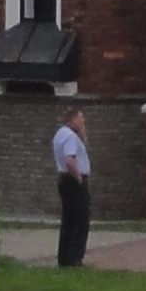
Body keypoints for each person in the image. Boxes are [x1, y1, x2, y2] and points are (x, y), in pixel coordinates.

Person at [53, 99, 92, 267]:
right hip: (73, 180)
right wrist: (79, 178)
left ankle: (64, 257)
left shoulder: (60, 134)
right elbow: (70, 159)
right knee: (80, 220)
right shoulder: (70, 137)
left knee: (68, 220)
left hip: (63, 179)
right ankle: (75, 258)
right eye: (81, 118)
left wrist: (83, 134)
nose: (83, 122)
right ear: (73, 119)